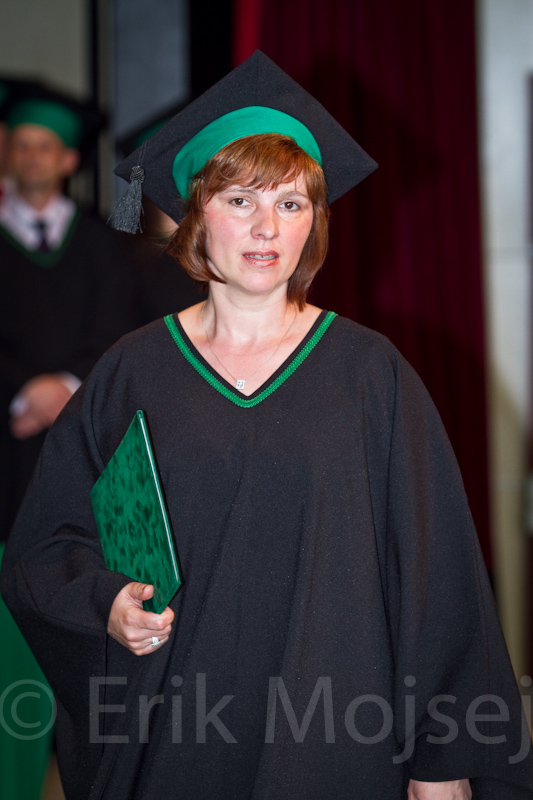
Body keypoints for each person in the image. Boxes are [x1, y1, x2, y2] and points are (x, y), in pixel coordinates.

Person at [2, 51, 533, 800]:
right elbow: (50, 546)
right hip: (179, 734)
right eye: (240, 198)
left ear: (314, 222)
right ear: (195, 213)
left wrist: (440, 756)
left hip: (337, 737)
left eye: (290, 203)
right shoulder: (132, 373)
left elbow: (434, 580)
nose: (266, 226)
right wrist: (107, 603)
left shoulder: (369, 376)